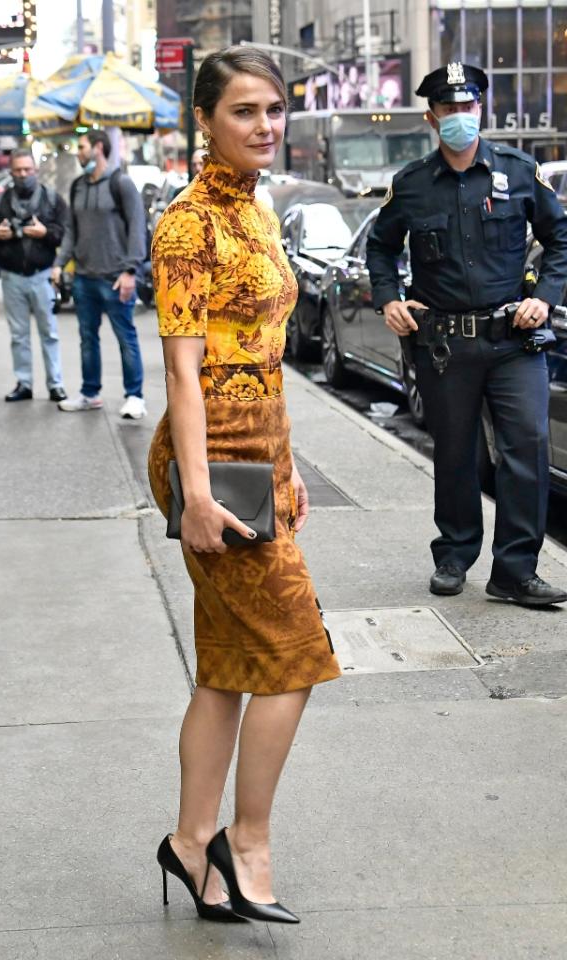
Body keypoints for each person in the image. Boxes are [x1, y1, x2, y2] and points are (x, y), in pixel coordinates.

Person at [148, 46, 341, 925]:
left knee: (228, 668)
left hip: (256, 457)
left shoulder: (259, 209)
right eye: (245, 112)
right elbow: (184, 377)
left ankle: (191, 846)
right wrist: (194, 495)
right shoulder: (188, 224)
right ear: (205, 119)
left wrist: (290, 462)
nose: (266, 126)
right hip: (212, 464)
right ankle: (246, 840)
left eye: (274, 109)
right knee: (298, 655)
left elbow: (266, 360)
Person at [367, 62, 567, 608]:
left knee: (526, 448)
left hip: (514, 341)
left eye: (468, 106)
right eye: (449, 109)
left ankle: (515, 571)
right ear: (432, 118)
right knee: (455, 452)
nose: (460, 117)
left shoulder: (519, 171)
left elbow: (561, 239)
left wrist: (543, 299)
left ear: (482, 109)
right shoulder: (411, 186)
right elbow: (379, 247)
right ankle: (454, 555)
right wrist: (388, 297)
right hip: (446, 344)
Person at [51, 129, 147, 419]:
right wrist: (59, 262)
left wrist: (131, 271)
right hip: (84, 277)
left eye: (82, 147)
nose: (78, 152)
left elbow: (137, 228)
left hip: (115, 277)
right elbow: (71, 230)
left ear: (98, 148)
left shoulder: (122, 183)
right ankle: (90, 393)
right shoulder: (78, 186)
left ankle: (135, 397)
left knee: (125, 337)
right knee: (87, 339)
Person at [0, 149, 68, 402]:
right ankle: (24, 383)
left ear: (35, 171)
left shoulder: (51, 199)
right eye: (18, 170)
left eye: (27, 170)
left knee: (49, 332)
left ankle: (56, 384)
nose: (23, 175)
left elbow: (65, 232)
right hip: (12, 276)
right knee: (18, 335)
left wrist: (45, 233)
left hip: (42, 275)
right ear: (11, 172)